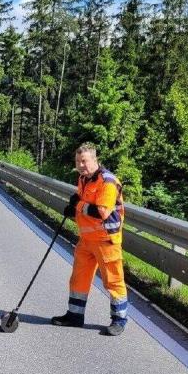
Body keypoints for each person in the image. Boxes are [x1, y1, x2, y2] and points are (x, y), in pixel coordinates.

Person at [52, 143, 129, 336]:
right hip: (86, 239)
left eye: (84, 161)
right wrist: (74, 207)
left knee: (113, 281)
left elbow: (101, 211)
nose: (81, 165)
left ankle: (119, 320)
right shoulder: (84, 179)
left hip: (106, 240)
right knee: (79, 278)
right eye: (78, 161)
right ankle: (75, 316)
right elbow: (82, 200)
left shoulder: (108, 182)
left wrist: (77, 206)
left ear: (94, 160)